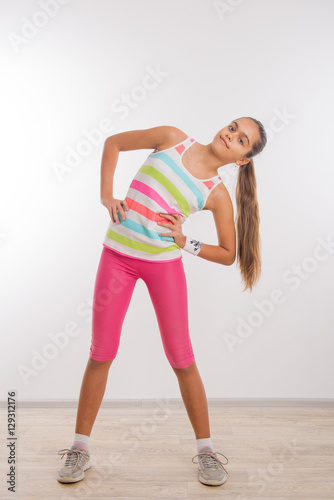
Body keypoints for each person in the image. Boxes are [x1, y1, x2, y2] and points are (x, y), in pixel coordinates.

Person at [57, 118, 267, 486]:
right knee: (101, 353)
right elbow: (112, 143)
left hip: (163, 267)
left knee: (182, 359)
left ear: (242, 160)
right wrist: (107, 195)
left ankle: (206, 451)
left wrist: (186, 242)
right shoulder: (172, 139)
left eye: (241, 140)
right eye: (233, 127)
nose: (230, 135)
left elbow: (229, 253)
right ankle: (79, 448)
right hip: (117, 258)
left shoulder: (215, 194)